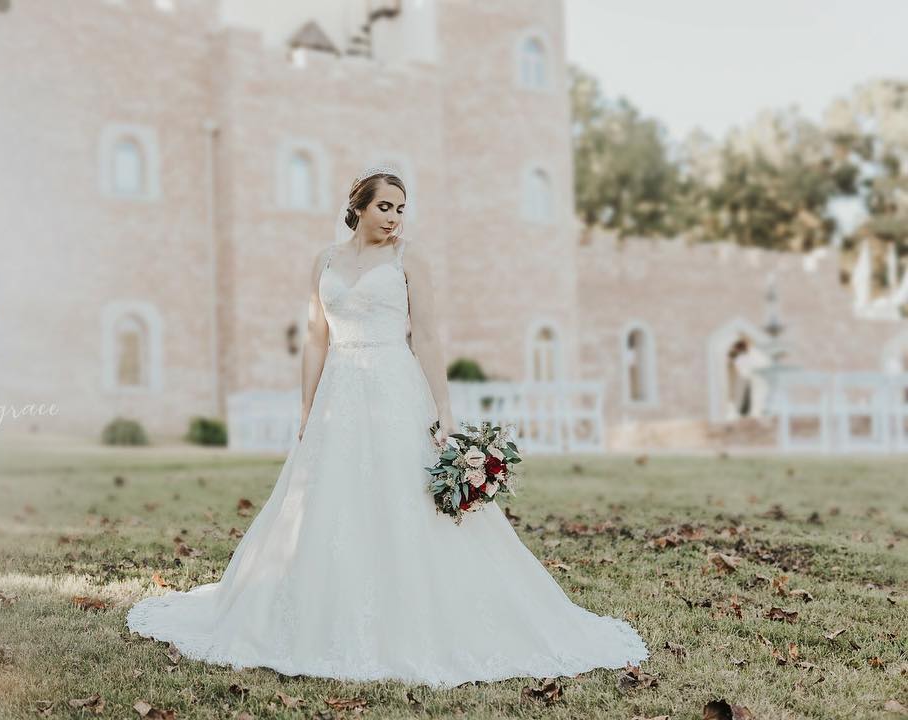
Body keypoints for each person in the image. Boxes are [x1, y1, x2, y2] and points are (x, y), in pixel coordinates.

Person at [125, 165, 649, 688]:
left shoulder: (408, 257)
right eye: (384, 207)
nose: (394, 218)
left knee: (405, 495)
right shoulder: (324, 261)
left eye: (401, 209)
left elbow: (427, 337)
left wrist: (444, 407)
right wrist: (306, 408)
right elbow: (316, 338)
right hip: (338, 393)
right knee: (328, 499)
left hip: (395, 386)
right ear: (358, 207)